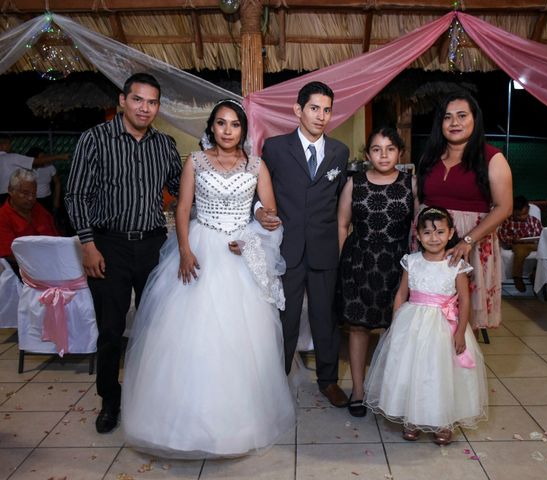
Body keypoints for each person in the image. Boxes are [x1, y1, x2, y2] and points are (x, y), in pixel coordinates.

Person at [121, 99, 295, 459]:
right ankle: (181, 423)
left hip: (238, 252)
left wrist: (254, 231)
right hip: (200, 248)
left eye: (234, 125)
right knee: (189, 337)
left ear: (244, 131)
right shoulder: (195, 162)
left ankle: (236, 424)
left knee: (241, 339)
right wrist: (185, 250)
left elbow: (267, 210)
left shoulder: (257, 165)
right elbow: (182, 208)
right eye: (221, 123)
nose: (227, 130)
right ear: (211, 128)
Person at [64, 73, 183, 434]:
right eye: (138, 100)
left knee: (155, 328)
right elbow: (75, 196)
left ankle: (149, 395)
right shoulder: (94, 140)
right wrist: (87, 244)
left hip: (152, 246)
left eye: (152, 102)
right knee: (111, 331)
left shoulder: (165, 145)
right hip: (107, 245)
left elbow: (183, 188)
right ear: (122, 100)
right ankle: (110, 401)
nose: (144, 108)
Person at [258, 81, 350, 407]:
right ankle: (276, 381)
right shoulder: (275, 148)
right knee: (286, 317)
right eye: (314, 108)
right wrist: (258, 212)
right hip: (287, 248)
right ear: (298, 110)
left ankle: (328, 381)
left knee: (326, 317)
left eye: (327, 109)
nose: (321, 116)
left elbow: (341, 201)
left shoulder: (340, 151)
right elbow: (259, 191)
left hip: (324, 249)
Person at [363, 207, 488, 444]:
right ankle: (412, 418)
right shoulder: (411, 261)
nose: (434, 238)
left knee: (440, 375)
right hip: (413, 325)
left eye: (440, 232)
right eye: (428, 232)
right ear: (418, 235)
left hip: (444, 328)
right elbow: (401, 294)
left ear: (451, 233)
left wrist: (461, 332)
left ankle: (443, 422)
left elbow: (464, 300)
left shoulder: (456, 265)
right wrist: (396, 324)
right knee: (413, 372)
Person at [336, 127, 418, 417]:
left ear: (400, 153)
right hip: (359, 263)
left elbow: (419, 229)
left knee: (395, 329)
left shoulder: (411, 184)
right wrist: (344, 261)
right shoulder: (354, 183)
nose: (383, 155)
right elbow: (342, 225)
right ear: (367, 153)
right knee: (358, 328)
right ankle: (358, 391)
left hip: (397, 265)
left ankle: (390, 391)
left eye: (390, 149)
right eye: (376, 149)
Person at [417, 91, 512, 330]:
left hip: (472, 245)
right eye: (447, 117)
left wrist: (468, 240)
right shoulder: (429, 157)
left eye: (462, 115)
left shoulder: (492, 157)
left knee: (462, 320)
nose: (454, 123)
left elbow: (504, 207)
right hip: (430, 244)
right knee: (429, 315)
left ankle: (461, 366)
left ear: (475, 120)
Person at [0, 168, 58, 274]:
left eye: (34, 193)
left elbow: (54, 237)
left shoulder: (38, 209)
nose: (31, 198)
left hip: (49, 263)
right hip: (19, 271)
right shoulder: (2, 217)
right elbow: (9, 254)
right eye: (25, 193)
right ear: (10, 190)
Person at [0, 137, 64, 205]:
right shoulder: (12, 157)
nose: (10, 147)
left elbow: (57, 183)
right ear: (2, 145)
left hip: (4, 195)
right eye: (9, 144)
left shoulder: (50, 168)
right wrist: (59, 157)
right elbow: (37, 162)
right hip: (11, 194)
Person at [498, 195, 543, 292]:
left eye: (525, 214)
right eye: (518, 215)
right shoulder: (507, 221)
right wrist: (513, 240)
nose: (522, 217)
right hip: (518, 245)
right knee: (520, 252)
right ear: (512, 211)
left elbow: (540, 234)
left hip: (533, 244)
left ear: (529, 209)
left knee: (545, 250)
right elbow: (502, 236)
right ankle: (517, 277)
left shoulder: (534, 221)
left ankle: (536, 273)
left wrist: (536, 239)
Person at [25, 146, 66, 214]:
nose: (44, 159)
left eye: (44, 156)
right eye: (41, 157)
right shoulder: (25, 168)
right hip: (31, 200)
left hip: (46, 199)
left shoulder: (50, 167)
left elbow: (57, 183)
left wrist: (56, 200)